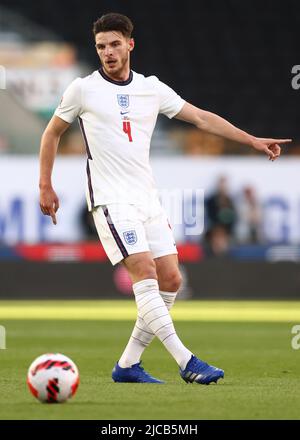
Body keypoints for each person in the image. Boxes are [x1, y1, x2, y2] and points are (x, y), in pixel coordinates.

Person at [39, 12, 291, 384]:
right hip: (111, 200)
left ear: (130, 44)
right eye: (100, 46)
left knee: (171, 279)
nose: (107, 52)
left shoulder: (152, 88)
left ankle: (127, 365)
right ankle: (186, 361)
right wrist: (45, 184)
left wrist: (252, 140)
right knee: (144, 271)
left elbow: (202, 119)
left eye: (113, 44)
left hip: (147, 199)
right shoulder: (82, 89)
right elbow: (51, 134)